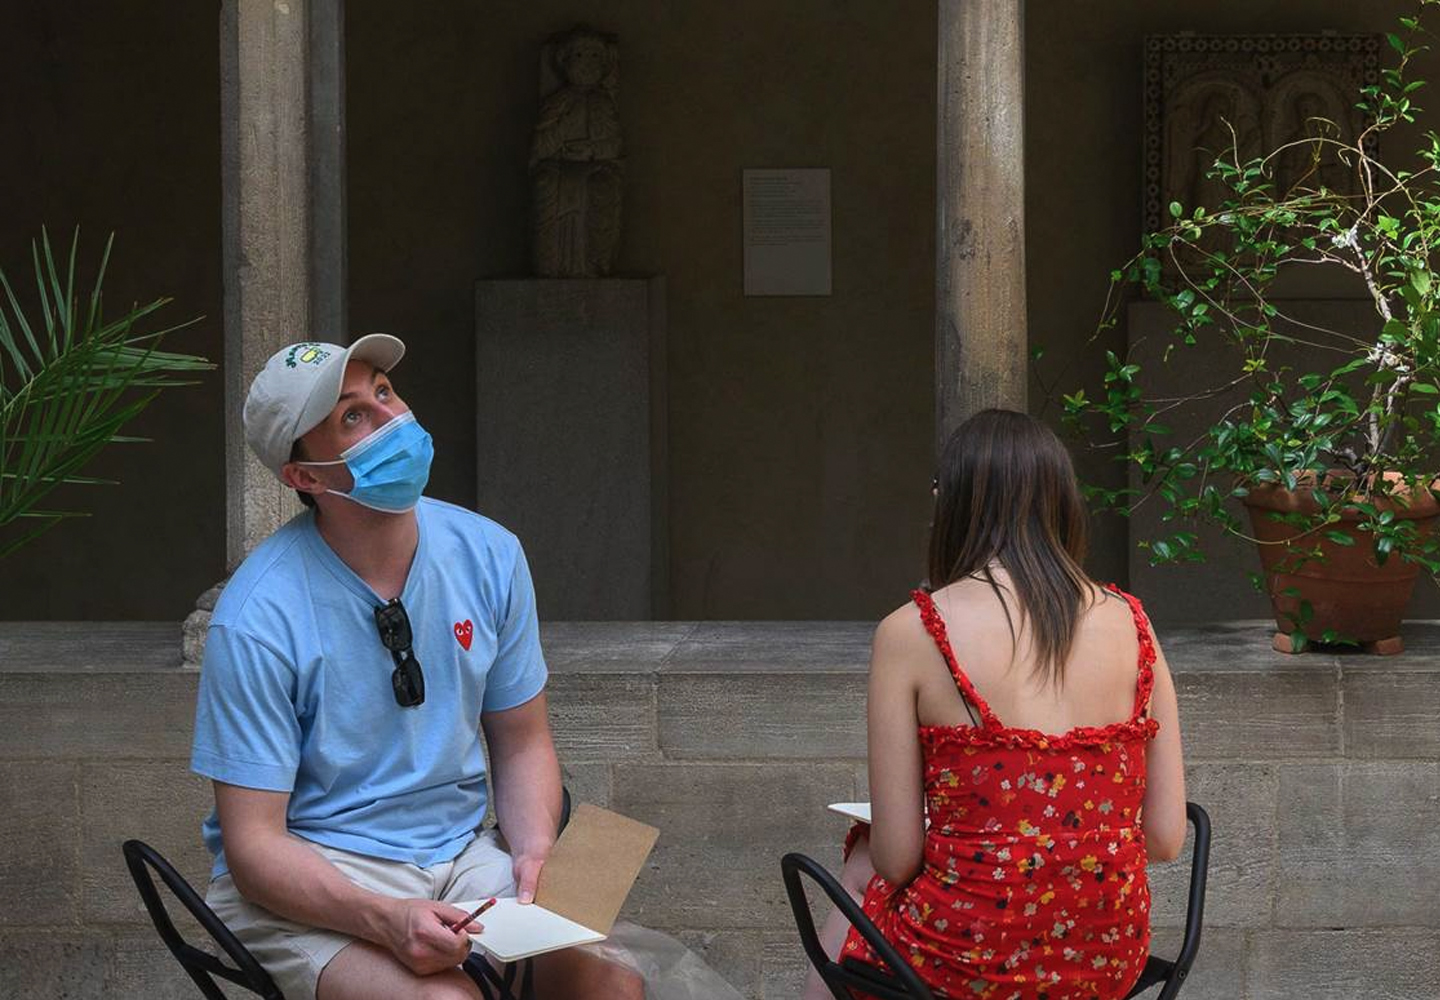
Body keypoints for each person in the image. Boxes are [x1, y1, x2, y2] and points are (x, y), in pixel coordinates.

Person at [190, 335, 644, 1000]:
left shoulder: (490, 553)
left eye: (383, 392)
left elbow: (521, 742)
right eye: (352, 416)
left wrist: (534, 850)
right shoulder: (257, 616)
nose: (389, 419)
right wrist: (383, 917)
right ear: (306, 477)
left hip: (460, 855)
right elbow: (254, 849)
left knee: (609, 985)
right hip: (317, 876)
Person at [805, 409, 1187, 1000]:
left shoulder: (914, 631)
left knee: (861, 869)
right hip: (1110, 957)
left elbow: (898, 858)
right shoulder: (1133, 621)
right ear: (1063, 502)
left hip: (971, 959)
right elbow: (1164, 838)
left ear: (951, 503)